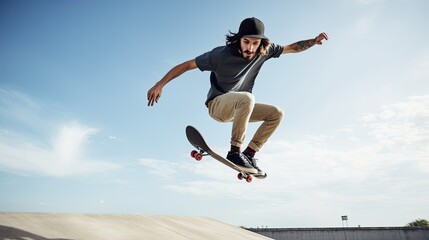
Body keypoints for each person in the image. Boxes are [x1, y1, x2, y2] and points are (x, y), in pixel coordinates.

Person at [147, 17, 328, 176]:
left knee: (276, 113)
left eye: (255, 43)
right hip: (217, 106)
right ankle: (234, 152)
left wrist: (313, 41)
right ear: (238, 40)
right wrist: (160, 84)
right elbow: (188, 65)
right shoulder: (220, 55)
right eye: (246, 42)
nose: (250, 48)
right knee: (247, 98)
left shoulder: (264, 51)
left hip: (241, 109)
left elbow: (293, 48)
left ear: (261, 43)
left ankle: (249, 154)